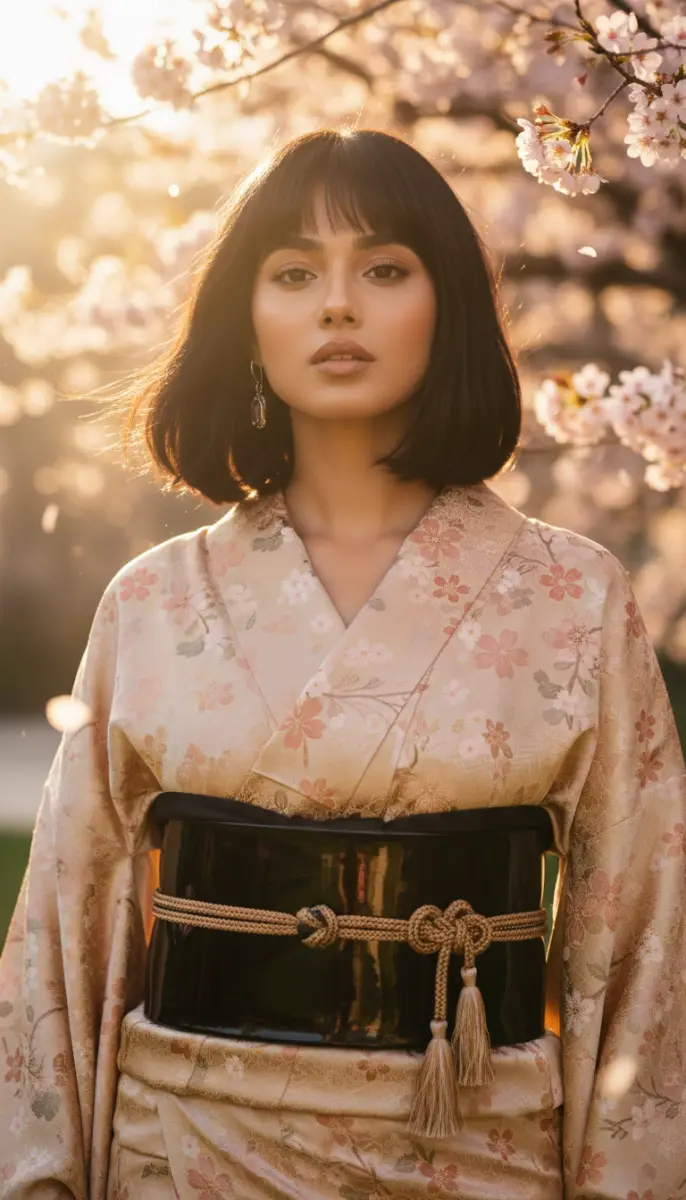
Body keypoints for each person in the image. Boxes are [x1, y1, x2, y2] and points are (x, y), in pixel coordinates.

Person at [0, 128, 684, 1200]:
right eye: (291, 272)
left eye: (381, 268)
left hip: (471, 1148)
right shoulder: (152, 601)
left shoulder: (572, 595)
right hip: (189, 1145)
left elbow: (640, 928)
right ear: (246, 316)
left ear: (443, 303)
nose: (335, 305)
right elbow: (62, 929)